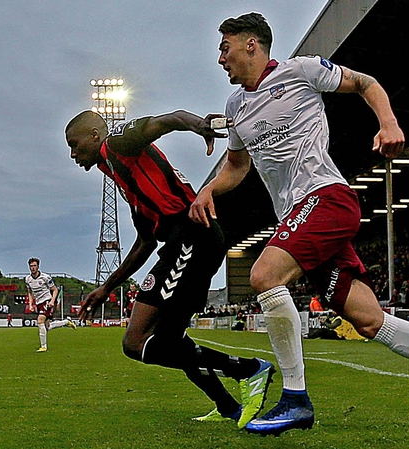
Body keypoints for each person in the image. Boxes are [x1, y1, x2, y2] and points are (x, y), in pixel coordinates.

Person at [189, 12, 409, 435]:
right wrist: (209, 190)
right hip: (297, 215)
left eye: (225, 48)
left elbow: (366, 83)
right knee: (368, 320)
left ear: (251, 45)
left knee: (263, 275)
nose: (220, 59)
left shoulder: (301, 71)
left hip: (325, 197)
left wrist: (389, 122)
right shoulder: (235, 106)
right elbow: (237, 166)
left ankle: (295, 398)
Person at [65, 109, 275, 429]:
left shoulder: (118, 142)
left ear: (95, 136)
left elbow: (167, 120)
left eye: (75, 144)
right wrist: (107, 287)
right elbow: (145, 241)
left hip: (192, 236)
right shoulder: (122, 173)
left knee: (144, 342)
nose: (73, 154)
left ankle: (249, 369)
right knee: (159, 340)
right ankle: (227, 406)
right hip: (182, 241)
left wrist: (199, 125)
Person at [25, 258, 77, 353]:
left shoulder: (45, 277)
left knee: (40, 321)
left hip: (47, 301)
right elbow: (30, 292)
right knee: (47, 327)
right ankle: (66, 322)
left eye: (34, 266)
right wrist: (30, 304)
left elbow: (55, 290)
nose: (33, 268)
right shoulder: (28, 279)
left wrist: (52, 301)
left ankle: (43, 346)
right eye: (31, 266)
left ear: (38, 266)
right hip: (39, 303)